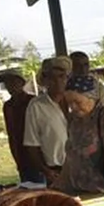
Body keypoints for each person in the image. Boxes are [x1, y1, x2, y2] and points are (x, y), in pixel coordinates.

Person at [24, 56, 71, 185]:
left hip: (84, 167)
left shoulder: (76, 101)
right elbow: (31, 143)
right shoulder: (36, 106)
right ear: (45, 80)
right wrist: (45, 171)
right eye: (52, 77)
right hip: (57, 170)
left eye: (62, 76)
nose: (58, 81)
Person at [0, 70, 41, 183]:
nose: (9, 86)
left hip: (38, 155)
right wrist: (16, 158)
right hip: (21, 156)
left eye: (12, 82)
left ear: (21, 83)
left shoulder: (33, 101)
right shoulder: (8, 106)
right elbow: (11, 133)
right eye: (6, 83)